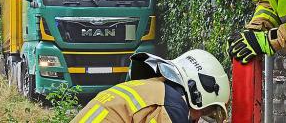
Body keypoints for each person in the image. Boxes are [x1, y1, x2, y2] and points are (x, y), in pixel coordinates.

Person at [72, 49, 230, 123]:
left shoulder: (151, 89)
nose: (197, 119)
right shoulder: (172, 106)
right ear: (197, 94)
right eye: (205, 111)